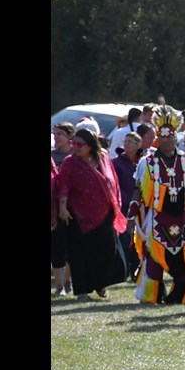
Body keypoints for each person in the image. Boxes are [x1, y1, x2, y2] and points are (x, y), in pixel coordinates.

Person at [129, 107, 185, 304]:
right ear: (158, 137)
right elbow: (138, 191)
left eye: (171, 136)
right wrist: (131, 217)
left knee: (184, 261)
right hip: (158, 218)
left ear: (176, 137)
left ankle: (181, 295)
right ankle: (152, 295)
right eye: (163, 136)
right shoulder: (148, 162)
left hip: (183, 219)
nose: (167, 140)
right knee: (153, 259)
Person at [55, 129, 128, 300]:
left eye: (79, 144)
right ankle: (82, 291)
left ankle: (100, 284)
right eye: (73, 143)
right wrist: (63, 208)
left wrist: (115, 205)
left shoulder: (102, 158)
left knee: (106, 253)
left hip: (104, 214)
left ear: (90, 145)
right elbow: (64, 186)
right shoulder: (70, 162)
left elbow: (113, 183)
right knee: (80, 255)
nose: (75, 147)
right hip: (78, 217)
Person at [113, 131, 143, 277]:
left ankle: (138, 270)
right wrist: (129, 201)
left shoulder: (144, 161)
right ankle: (123, 271)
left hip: (143, 207)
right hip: (124, 207)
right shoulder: (117, 163)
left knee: (140, 239)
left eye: (130, 142)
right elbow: (115, 185)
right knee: (125, 239)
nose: (126, 144)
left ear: (139, 145)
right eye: (125, 141)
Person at [51, 122, 75, 295]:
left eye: (60, 134)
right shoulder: (52, 156)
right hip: (54, 207)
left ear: (70, 136)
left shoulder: (77, 155)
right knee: (57, 245)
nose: (56, 137)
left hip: (75, 207)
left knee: (72, 246)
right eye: (55, 133)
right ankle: (59, 286)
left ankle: (68, 282)